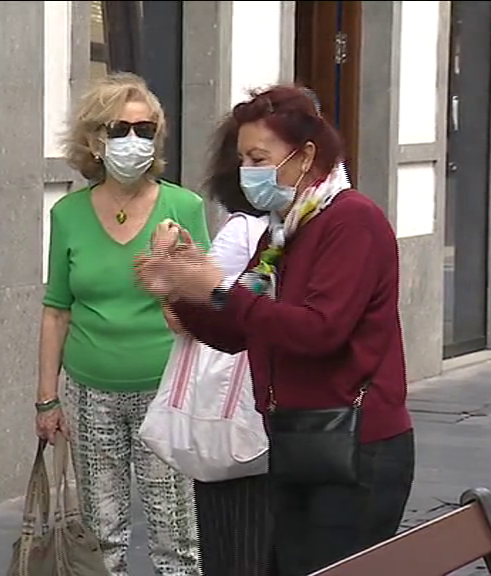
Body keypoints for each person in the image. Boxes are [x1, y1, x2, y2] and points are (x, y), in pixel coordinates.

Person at [135, 84, 414, 576]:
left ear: (305, 155)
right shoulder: (284, 228)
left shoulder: (351, 221)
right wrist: (181, 286)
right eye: (244, 159)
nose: (249, 172)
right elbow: (242, 332)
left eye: (259, 157)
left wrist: (218, 289)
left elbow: (319, 332)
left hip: (355, 445)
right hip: (292, 439)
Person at [35, 72, 207, 576]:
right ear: (95, 138)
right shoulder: (68, 213)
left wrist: (176, 269)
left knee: (175, 537)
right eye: (120, 129)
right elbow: (56, 309)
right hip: (90, 395)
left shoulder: (184, 207)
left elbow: (208, 301)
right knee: (101, 538)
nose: (134, 142)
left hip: (166, 390)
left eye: (146, 130)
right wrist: (47, 398)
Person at [185, 114, 274, 576]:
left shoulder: (254, 231)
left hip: (244, 412)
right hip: (263, 413)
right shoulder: (267, 230)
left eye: (257, 158)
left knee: (237, 544)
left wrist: (178, 277)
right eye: (245, 159)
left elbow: (206, 306)